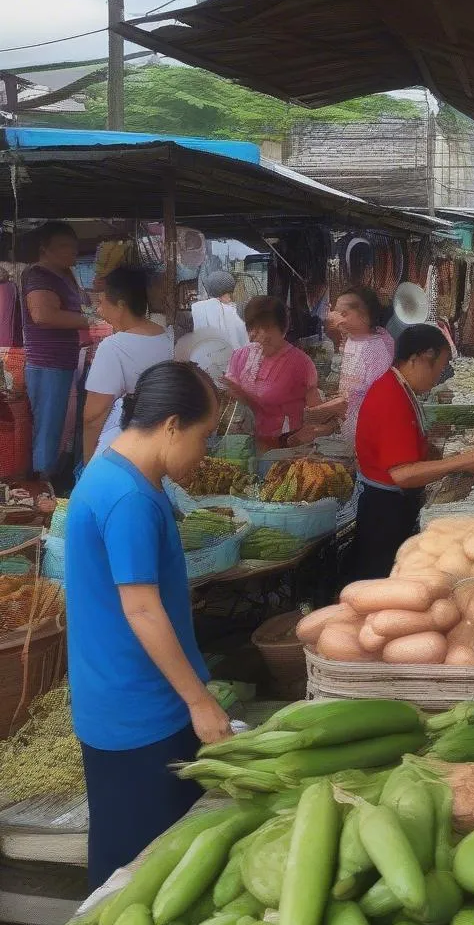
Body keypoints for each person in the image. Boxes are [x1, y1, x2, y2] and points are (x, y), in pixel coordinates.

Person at [65, 360, 232, 889]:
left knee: (132, 847)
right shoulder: (131, 498)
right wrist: (199, 701)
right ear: (171, 425)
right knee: (139, 869)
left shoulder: (114, 468)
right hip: (138, 707)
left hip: (116, 694)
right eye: (204, 436)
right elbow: (142, 609)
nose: (204, 453)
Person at [347, 324, 474, 581]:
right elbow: (403, 474)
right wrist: (465, 460)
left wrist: (439, 447)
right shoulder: (390, 397)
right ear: (421, 358)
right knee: (383, 586)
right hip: (385, 511)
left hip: (391, 505)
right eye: (439, 368)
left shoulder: (400, 387)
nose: (438, 377)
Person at [82, 267, 174, 465]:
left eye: (102, 303)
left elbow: (93, 416)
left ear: (121, 305)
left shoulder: (113, 347)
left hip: (126, 451)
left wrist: (88, 465)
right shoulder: (169, 337)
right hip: (166, 446)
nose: (99, 310)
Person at [21, 221, 90, 478]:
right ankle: (42, 486)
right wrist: (92, 322)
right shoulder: (39, 274)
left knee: (57, 423)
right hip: (46, 362)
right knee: (48, 426)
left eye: (73, 246)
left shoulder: (64, 274)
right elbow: (42, 315)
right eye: (63, 246)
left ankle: (49, 476)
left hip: (63, 361)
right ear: (44, 248)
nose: (71, 251)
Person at [223, 295, 326, 453]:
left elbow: (316, 413)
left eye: (261, 328)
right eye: (250, 328)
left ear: (282, 328)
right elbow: (231, 403)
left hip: (284, 447)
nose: (252, 336)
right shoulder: (240, 356)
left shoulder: (300, 364)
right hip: (245, 444)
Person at [311, 286, 395, 443]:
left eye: (343, 313)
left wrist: (325, 411)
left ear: (364, 316)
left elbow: (377, 398)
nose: (335, 317)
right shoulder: (352, 339)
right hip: (349, 429)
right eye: (336, 311)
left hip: (370, 431)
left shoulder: (378, 347)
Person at [190, 270, 248, 352]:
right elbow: (244, 341)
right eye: (229, 295)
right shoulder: (235, 312)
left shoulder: (198, 310)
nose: (230, 299)